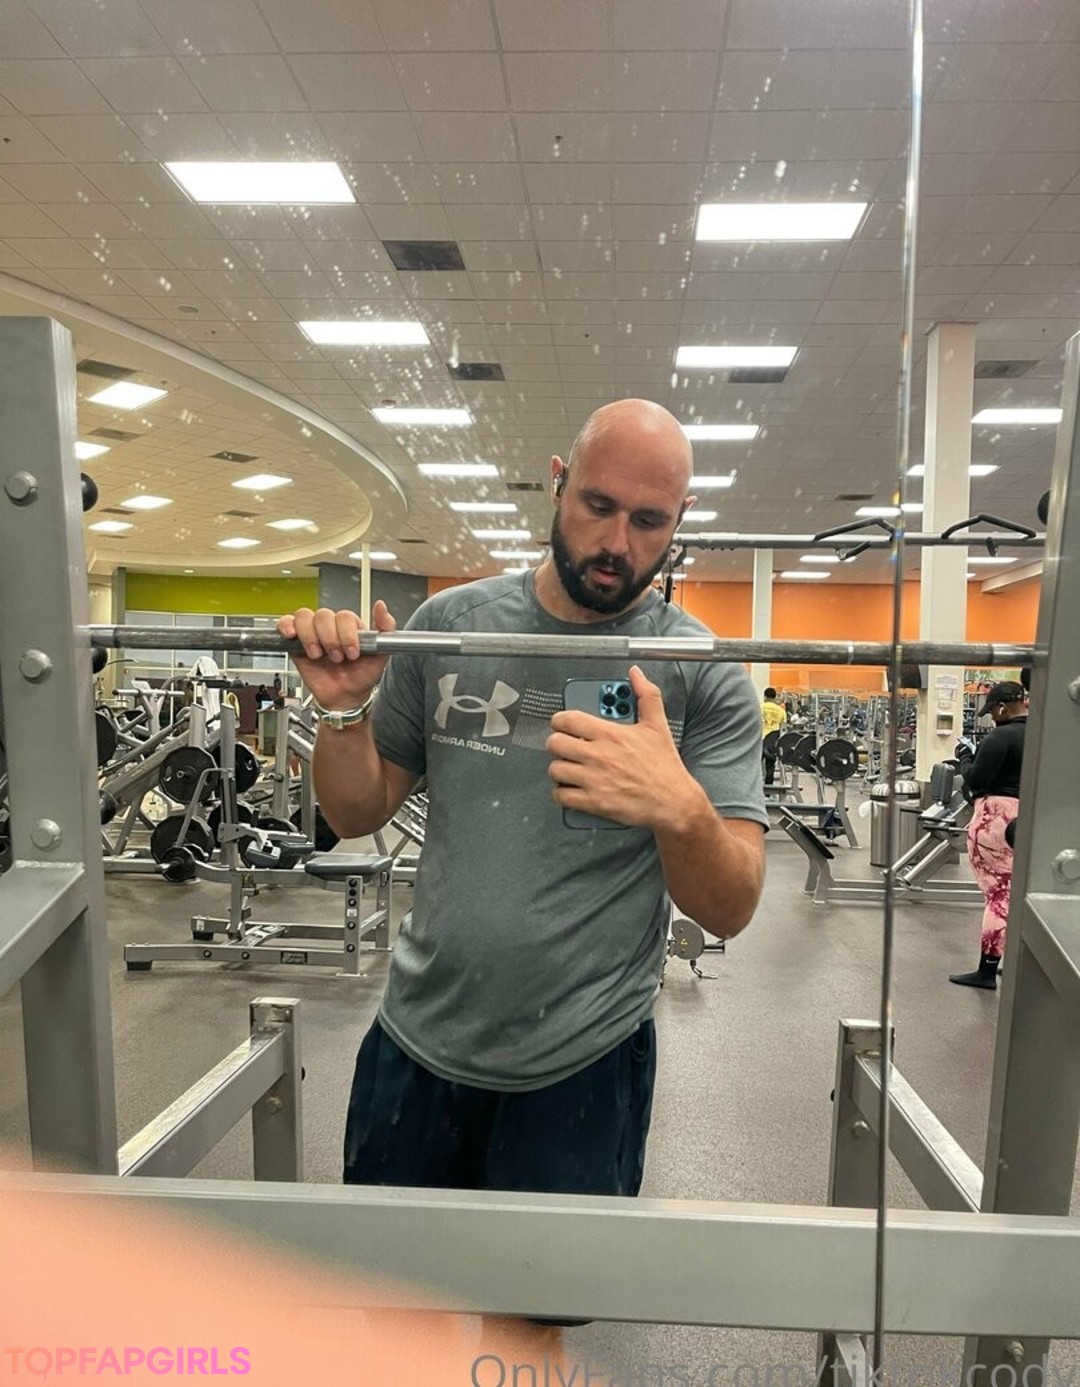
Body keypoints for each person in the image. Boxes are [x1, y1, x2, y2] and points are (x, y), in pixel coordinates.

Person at [277, 398, 767, 1338]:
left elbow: (733, 903)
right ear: (557, 482)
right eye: (598, 505)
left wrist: (678, 805)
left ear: (682, 519)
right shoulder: (450, 625)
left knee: (527, 1335)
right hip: (418, 1040)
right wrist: (341, 712)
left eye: (648, 520)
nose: (616, 542)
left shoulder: (700, 671)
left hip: (582, 1059)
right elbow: (355, 811)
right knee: (398, 1321)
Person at [949, 680, 1028, 990]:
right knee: (1018, 893)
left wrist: (965, 758)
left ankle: (986, 971)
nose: (992, 717)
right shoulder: (1044, 736)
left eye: (992, 711)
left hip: (997, 818)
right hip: (1029, 817)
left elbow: (976, 780)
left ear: (1002, 707)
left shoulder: (1000, 737)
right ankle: (1017, 964)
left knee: (998, 895)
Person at [761, 686, 787, 785]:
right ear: (775, 697)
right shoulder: (781, 711)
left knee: (755, 766)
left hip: (759, 740)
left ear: (765, 696)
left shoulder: (759, 708)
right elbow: (783, 728)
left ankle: (755, 788)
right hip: (772, 741)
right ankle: (769, 788)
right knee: (770, 765)